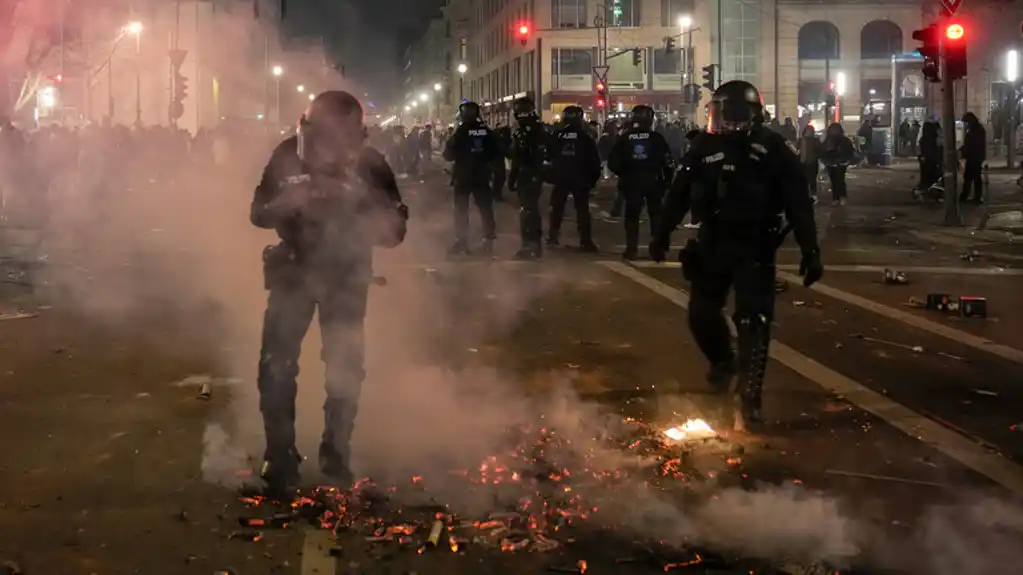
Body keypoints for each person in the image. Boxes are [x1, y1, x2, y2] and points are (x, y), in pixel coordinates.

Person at [250, 90, 409, 496]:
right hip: (293, 272)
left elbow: (395, 233)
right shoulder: (287, 154)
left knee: (344, 365)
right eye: (320, 139)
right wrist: (285, 203)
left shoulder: (371, 166)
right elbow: (257, 213)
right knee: (276, 364)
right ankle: (280, 453)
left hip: (346, 276)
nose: (326, 152)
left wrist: (362, 205)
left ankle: (336, 452)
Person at [648, 80, 822, 430]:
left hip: (756, 245)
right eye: (721, 115)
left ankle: (751, 397)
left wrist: (810, 249)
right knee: (701, 316)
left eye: (733, 116)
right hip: (713, 242)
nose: (727, 123)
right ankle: (723, 362)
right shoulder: (703, 146)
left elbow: (799, 205)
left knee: (753, 323)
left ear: (752, 116)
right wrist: (662, 233)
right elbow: (678, 194)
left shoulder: (773, 149)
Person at [608, 104, 673, 259]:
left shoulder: (625, 138)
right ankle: (658, 249)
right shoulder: (657, 138)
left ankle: (631, 249)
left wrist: (624, 174)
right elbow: (668, 162)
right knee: (656, 216)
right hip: (654, 182)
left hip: (632, 182)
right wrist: (667, 182)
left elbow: (613, 162)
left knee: (632, 217)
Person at [443, 101, 499, 255]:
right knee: (485, 209)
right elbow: (495, 151)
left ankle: (461, 242)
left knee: (461, 210)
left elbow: (448, 155)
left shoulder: (461, 131)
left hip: (463, 177)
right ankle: (488, 240)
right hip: (482, 175)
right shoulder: (485, 131)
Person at [545, 105, 600, 251]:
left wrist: (552, 173)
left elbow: (549, 155)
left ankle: (552, 236)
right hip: (580, 178)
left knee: (557, 208)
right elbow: (594, 160)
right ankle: (585, 240)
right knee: (582, 210)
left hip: (561, 177)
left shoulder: (557, 136)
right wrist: (593, 179)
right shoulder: (585, 137)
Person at [507, 96, 548, 259]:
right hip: (529, 173)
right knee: (529, 209)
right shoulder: (531, 127)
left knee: (528, 210)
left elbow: (521, 154)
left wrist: (514, 175)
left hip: (530, 173)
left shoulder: (529, 129)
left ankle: (531, 245)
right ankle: (531, 244)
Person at [821, 123, 855, 205]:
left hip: (836, 163)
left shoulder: (828, 140)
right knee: (837, 180)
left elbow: (823, 151)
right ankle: (839, 197)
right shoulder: (843, 140)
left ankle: (838, 198)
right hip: (836, 163)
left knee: (837, 180)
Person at [959, 112, 986, 203]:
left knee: (972, 177)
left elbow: (974, 145)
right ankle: (972, 197)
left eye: (965, 123)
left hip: (974, 157)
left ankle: (971, 197)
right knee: (971, 177)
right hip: (973, 157)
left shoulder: (976, 131)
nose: (965, 125)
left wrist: (964, 151)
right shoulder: (976, 129)